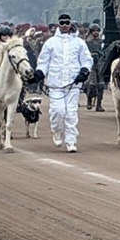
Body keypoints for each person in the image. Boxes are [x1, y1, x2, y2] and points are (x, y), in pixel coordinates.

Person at [34, 14, 93, 153]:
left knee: (71, 113)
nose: (65, 25)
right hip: (55, 83)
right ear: (58, 24)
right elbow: (43, 62)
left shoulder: (79, 42)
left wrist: (84, 71)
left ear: (71, 24)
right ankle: (57, 131)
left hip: (73, 83)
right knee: (58, 111)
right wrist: (40, 73)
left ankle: (71, 141)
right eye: (62, 22)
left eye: (67, 22)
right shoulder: (51, 43)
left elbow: (87, 59)